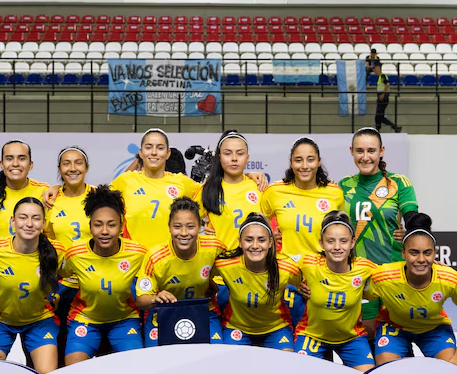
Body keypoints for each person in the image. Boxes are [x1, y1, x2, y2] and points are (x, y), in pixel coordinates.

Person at [365, 213, 457, 369]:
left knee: (453, 370)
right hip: (394, 327)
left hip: (434, 329)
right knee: (386, 371)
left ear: (435, 254)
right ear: (403, 253)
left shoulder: (449, 278)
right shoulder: (383, 276)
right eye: (414, 252)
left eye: (427, 253)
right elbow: (359, 293)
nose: (421, 259)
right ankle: (401, 349)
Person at [260, 137, 344, 326]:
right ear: (291, 162)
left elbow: (341, 236)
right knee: (285, 339)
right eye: (298, 160)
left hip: (321, 278)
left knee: (321, 341)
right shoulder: (274, 191)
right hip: (286, 278)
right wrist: (269, 235)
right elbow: (258, 225)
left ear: (319, 161)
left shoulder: (334, 193)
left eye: (310, 159)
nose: (304, 165)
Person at [59, 185, 147, 365]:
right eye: (98, 224)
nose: (104, 231)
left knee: (136, 369)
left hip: (124, 319)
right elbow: (61, 274)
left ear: (121, 227)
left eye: (111, 225)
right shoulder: (75, 255)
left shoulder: (138, 253)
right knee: (72, 372)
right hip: (85, 319)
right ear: (90, 227)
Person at [0, 198, 63, 374]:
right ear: (13, 221)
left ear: (44, 223)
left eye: (36, 218)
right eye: (23, 217)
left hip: (39, 320)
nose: (29, 224)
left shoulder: (57, 251)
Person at [339, 127, 418, 323]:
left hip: (394, 273)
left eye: (371, 151)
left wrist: (411, 233)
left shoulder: (398, 183)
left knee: (395, 338)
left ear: (381, 151)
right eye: (360, 151)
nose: (365, 157)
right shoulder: (342, 186)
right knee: (366, 336)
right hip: (358, 276)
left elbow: (413, 220)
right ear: (351, 151)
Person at [136, 197, 226, 346]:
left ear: (200, 227)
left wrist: (212, 283)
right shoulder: (155, 256)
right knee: (155, 359)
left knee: (214, 356)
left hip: (204, 311)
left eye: (190, 226)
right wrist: (156, 299)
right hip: (163, 313)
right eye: (177, 226)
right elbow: (141, 300)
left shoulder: (214, 247)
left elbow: (236, 267)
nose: (184, 233)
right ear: (169, 226)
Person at [294, 211, 376, 372]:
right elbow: (277, 266)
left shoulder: (365, 268)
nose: (337, 247)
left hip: (352, 339)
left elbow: (395, 274)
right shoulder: (308, 263)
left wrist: (436, 267)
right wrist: (297, 283)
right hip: (312, 337)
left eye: (343, 241)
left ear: (352, 243)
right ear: (321, 243)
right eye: (331, 241)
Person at [212, 213, 301, 351]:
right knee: (231, 366)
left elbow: (303, 283)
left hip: (276, 328)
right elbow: (200, 272)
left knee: (286, 366)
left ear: (270, 242)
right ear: (240, 242)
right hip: (236, 328)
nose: (255, 245)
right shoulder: (225, 265)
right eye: (248, 240)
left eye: (261, 240)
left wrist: (306, 290)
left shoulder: (287, 268)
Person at [45, 146, 94, 366]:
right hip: (62, 286)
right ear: (59, 169)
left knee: (95, 346)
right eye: (66, 163)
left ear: (86, 168)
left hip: (94, 284)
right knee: (60, 345)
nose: (72, 168)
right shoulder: (49, 200)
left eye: (78, 163)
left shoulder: (98, 197)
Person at [196, 130, 268, 250]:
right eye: (227, 153)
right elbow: (186, 221)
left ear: (247, 158)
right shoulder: (208, 189)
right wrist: (201, 232)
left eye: (240, 153)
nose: (234, 158)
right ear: (219, 157)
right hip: (219, 264)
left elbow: (273, 223)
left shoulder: (259, 187)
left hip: (254, 263)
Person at [0, 140, 50, 239]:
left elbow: (50, 234)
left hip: (31, 254)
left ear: (30, 164)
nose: (15, 163)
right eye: (9, 159)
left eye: (22, 159)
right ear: (1, 164)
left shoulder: (44, 190)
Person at [372, 64, 402, 133]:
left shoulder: (382, 76)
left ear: (378, 68)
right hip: (381, 98)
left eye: (375, 69)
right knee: (378, 116)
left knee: (379, 115)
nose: (374, 70)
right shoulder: (380, 77)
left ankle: (393, 127)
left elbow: (387, 84)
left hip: (383, 97)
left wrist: (383, 93)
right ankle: (379, 129)